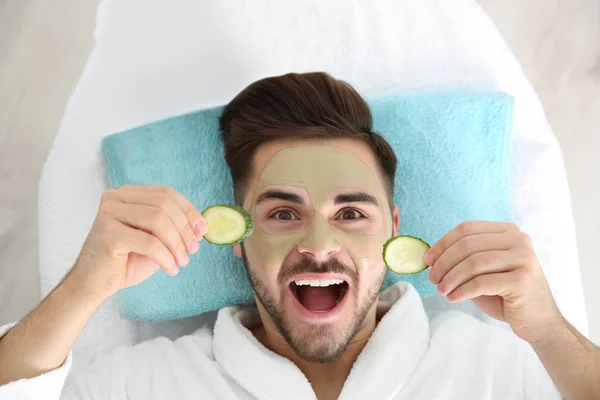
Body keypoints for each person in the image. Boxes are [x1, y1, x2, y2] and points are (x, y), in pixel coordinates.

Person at [0, 72, 598, 400]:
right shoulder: (142, 386)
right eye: (284, 213)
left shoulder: (502, 374)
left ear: (394, 230)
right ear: (234, 235)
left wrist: (548, 329)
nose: (318, 244)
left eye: (351, 213)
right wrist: (81, 289)